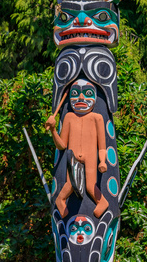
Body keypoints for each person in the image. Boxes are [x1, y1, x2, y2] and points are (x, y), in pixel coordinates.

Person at [46, 78, 109, 218]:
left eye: (87, 93)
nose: (81, 97)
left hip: (91, 156)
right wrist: (53, 130)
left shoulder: (97, 118)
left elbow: (102, 147)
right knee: (70, 184)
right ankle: (60, 201)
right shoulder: (68, 117)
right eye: (75, 93)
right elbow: (61, 145)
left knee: (90, 186)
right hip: (72, 156)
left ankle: (102, 202)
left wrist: (103, 161)